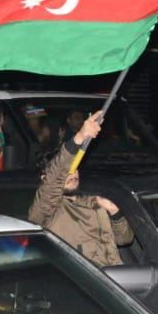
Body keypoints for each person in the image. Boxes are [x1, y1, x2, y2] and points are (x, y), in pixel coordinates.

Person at [27, 111, 134, 267]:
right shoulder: (45, 212)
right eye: (67, 170)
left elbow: (125, 240)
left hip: (115, 280)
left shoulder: (92, 201)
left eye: (75, 167)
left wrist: (114, 212)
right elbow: (54, 178)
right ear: (45, 179)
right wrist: (80, 137)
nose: (73, 173)